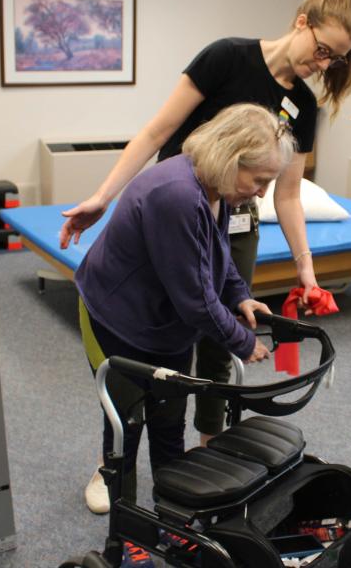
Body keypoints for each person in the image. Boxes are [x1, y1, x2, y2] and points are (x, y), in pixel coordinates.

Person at [61, 0, 351, 513]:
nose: (324, 64)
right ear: (302, 21)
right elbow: (158, 131)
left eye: (336, 60)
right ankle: (117, 463)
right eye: (323, 49)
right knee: (143, 380)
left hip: (218, 207)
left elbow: (280, 200)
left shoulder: (293, 120)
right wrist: (103, 199)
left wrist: (301, 275)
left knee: (200, 358)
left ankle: (194, 468)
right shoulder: (226, 59)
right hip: (171, 220)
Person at [77, 103, 293, 507]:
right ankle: (120, 514)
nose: (263, 192)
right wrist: (244, 343)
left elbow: (218, 255)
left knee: (169, 417)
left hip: (165, 320)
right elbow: (195, 300)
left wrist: (239, 295)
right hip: (114, 317)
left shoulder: (218, 187)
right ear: (231, 158)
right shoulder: (176, 194)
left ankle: (171, 509)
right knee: (127, 419)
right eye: (260, 180)